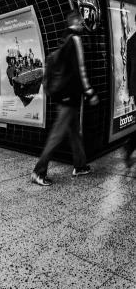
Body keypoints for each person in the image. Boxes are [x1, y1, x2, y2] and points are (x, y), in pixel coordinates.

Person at [32, 10, 99, 186]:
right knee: (57, 135)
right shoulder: (75, 39)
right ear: (76, 21)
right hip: (70, 95)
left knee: (74, 132)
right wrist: (90, 92)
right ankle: (39, 171)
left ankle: (80, 165)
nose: (83, 24)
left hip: (66, 95)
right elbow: (80, 70)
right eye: (81, 21)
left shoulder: (64, 39)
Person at [123, 11, 136, 165]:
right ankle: (130, 145)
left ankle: (130, 145)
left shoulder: (131, 40)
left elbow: (129, 67)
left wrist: (128, 89)